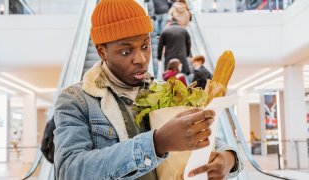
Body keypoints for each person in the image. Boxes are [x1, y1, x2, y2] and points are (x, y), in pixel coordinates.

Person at [53, 0, 242, 179]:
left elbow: (203, 136)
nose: (141, 59)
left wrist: (228, 159)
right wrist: (156, 143)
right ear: (102, 51)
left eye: (145, 46)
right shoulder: (76, 100)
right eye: (126, 51)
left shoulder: (166, 90)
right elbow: (69, 171)